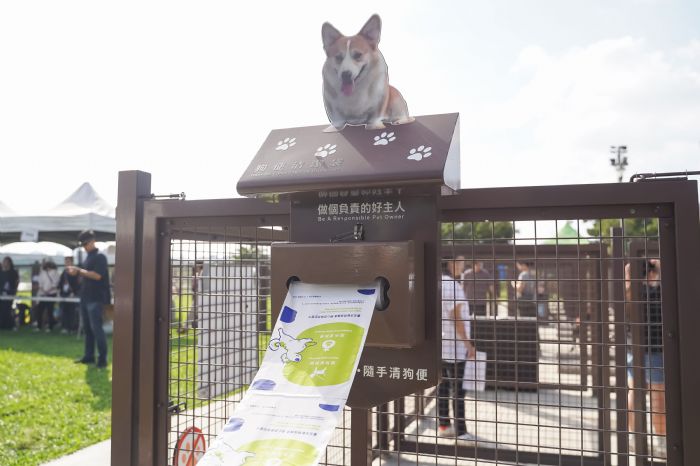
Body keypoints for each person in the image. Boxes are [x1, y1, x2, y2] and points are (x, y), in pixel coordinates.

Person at [626, 259, 665, 456]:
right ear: (650, 275)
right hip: (655, 350)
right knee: (658, 397)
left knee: (634, 392)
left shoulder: (628, 293)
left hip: (633, 349)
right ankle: (661, 441)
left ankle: (633, 437)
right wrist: (658, 268)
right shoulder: (654, 294)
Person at [438, 255, 477, 444]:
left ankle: (444, 425)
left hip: (442, 344)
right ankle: (461, 433)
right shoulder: (452, 285)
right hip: (455, 345)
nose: (463, 265)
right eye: (461, 261)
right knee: (458, 390)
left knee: (443, 386)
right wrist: (468, 344)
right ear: (451, 263)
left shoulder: (438, 283)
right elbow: (457, 318)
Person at [68, 230, 110, 369]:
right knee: (87, 329)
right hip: (86, 297)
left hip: (96, 298)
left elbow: (97, 276)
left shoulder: (100, 257)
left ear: (93, 241)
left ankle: (102, 359)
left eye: (86, 243)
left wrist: (79, 271)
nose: (85, 246)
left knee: (96, 329)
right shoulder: (88, 257)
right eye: (83, 244)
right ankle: (89, 356)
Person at [36, 259, 60, 332]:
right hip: (43, 294)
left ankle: (50, 326)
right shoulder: (42, 273)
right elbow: (40, 283)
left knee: (50, 310)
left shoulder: (55, 273)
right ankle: (39, 326)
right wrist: (44, 290)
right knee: (40, 310)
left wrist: (47, 291)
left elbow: (55, 284)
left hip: (51, 294)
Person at [58, 256, 80, 333]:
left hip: (73, 294)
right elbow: (60, 283)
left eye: (68, 261)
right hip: (64, 294)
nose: (66, 263)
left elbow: (78, 284)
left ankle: (73, 328)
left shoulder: (76, 271)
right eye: (65, 262)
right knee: (64, 311)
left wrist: (73, 292)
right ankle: (65, 327)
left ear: (72, 262)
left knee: (73, 311)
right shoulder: (64, 272)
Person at [0, 256, 20, 330]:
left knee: (7, 309)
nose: (4, 263)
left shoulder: (13, 273)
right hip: (1, 294)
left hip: (9, 294)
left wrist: (14, 291)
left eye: (6, 262)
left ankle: (9, 325)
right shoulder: (1, 272)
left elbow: (16, 283)